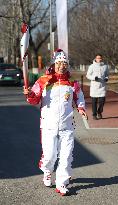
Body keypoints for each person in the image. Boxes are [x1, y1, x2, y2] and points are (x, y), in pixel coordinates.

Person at [23, 49, 87, 196]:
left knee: (66, 156)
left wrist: (81, 108)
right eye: (58, 63)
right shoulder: (43, 81)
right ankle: (47, 171)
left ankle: (62, 183)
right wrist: (30, 94)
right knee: (50, 156)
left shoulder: (72, 83)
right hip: (48, 125)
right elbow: (34, 99)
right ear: (54, 64)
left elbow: (79, 98)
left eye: (64, 63)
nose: (61, 66)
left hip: (67, 126)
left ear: (67, 65)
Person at [86, 54, 109, 120]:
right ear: (95, 59)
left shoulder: (105, 66)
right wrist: (94, 78)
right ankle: (94, 114)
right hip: (94, 86)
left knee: (102, 101)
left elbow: (107, 74)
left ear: (102, 59)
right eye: (98, 58)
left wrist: (106, 78)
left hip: (102, 86)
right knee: (94, 102)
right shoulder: (92, 66)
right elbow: (88, 75)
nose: (99, 59)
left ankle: (99, 112)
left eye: (100, 58)